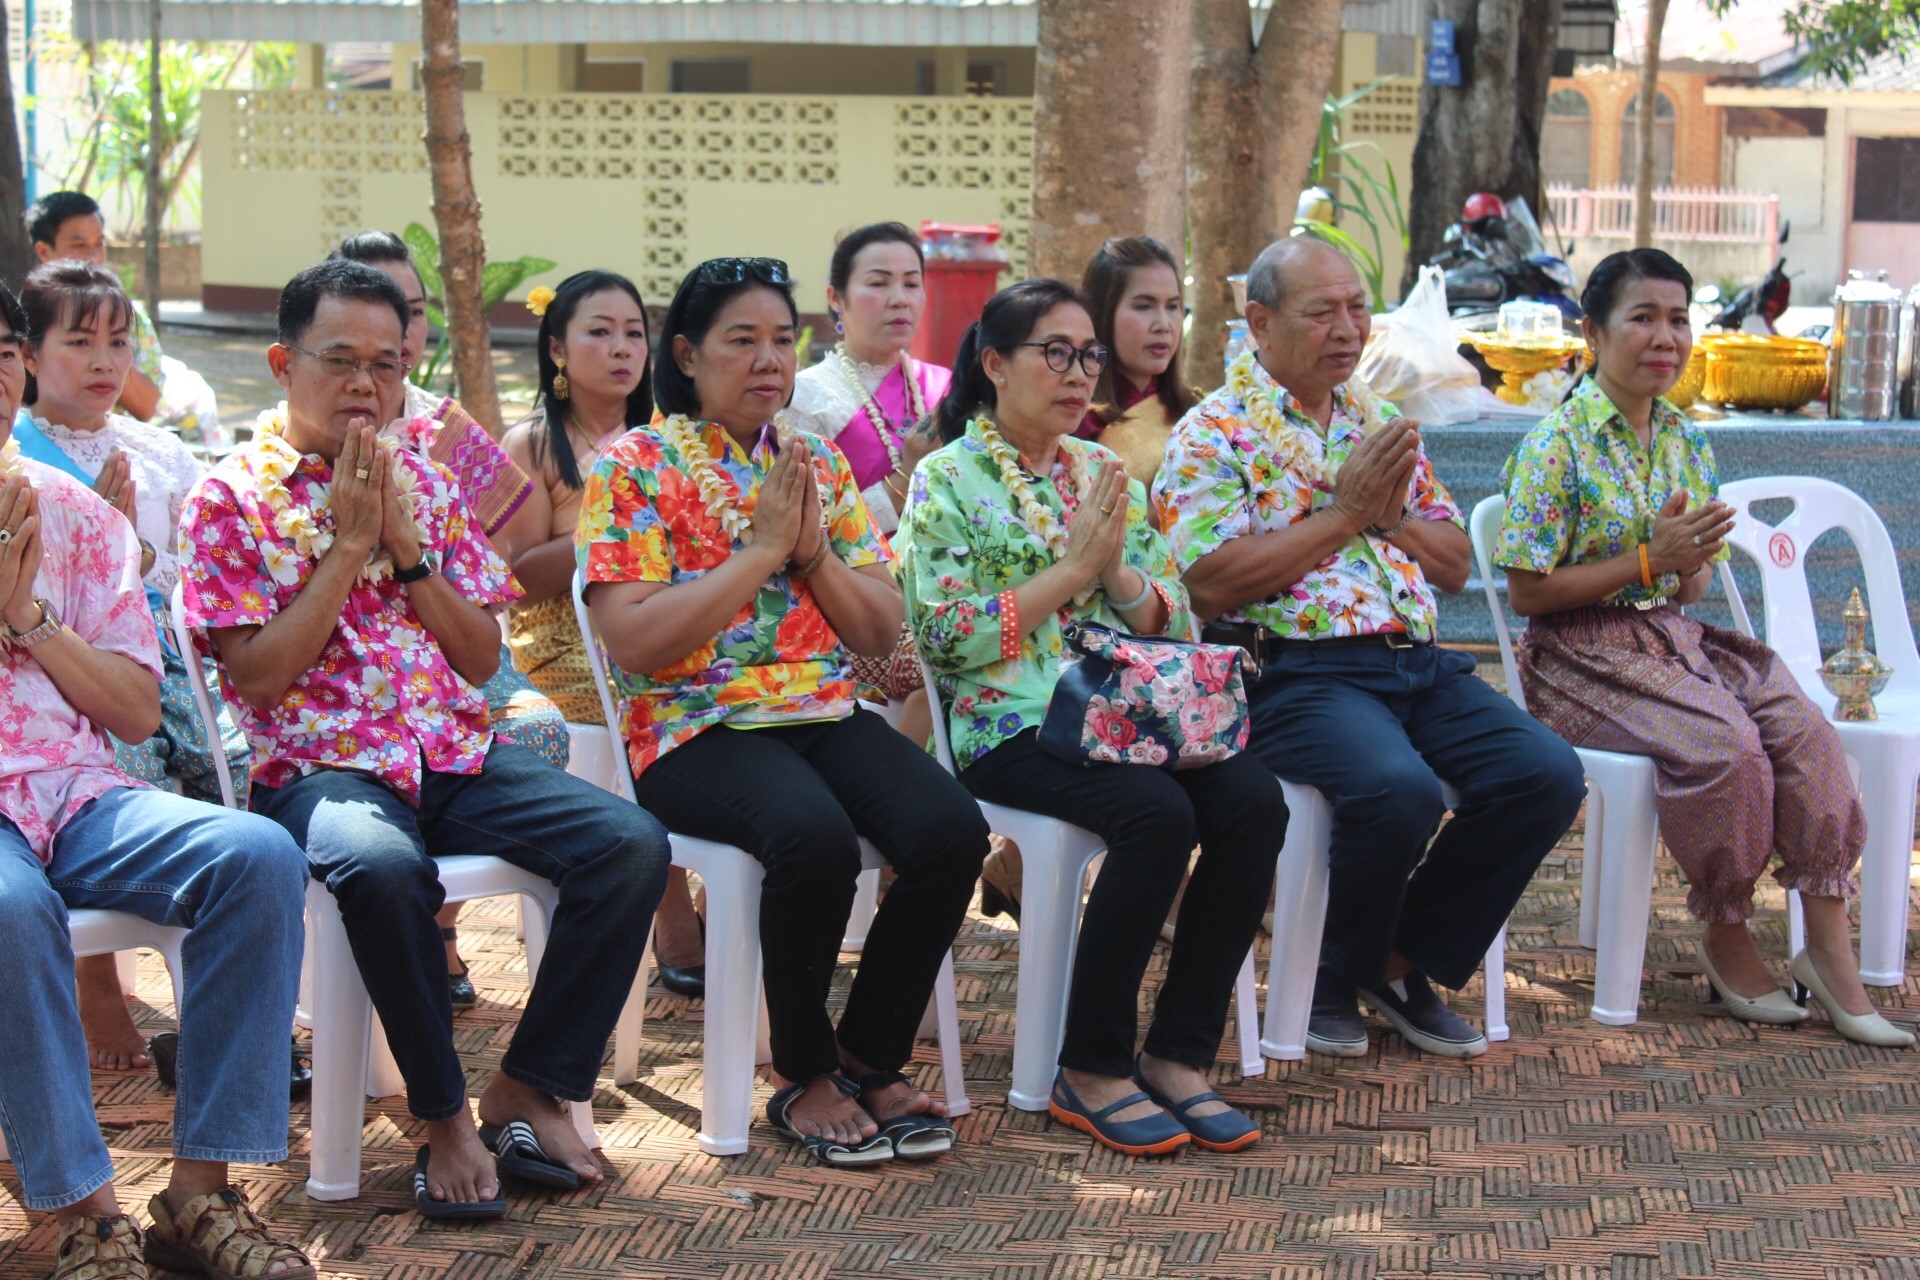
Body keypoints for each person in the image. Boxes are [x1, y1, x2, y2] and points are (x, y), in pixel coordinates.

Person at [178, 259, 672, 1217]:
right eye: (341, 361)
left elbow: (483, 651)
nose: (367, 384)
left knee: (629, 843)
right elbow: (259, 679)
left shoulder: (428, 485)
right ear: (283, 364)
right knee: (380, 867)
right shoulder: (228, 499)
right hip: (321, 767)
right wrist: (348, 549)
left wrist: (404, 549)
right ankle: (442, 1114)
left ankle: (529, 1082)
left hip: (450, 750)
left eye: (387, 363)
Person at [582, 257, 988, 1166]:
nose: (770, 360)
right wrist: (761, 554)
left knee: (949, 829)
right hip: (692, 723)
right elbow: (637, 643)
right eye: (742, 340)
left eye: (782, 340)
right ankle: (802, 1075)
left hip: (819, 708)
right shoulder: (636, 466)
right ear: (686, 355)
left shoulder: (816, 464)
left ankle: (868, 1054)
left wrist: (812, 560)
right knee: (812, 838)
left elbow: (882, 631)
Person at [1156, 238, 1586, 1060]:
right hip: (1293, 673)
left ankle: (1386, 960)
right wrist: (1344, 517)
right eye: (1322, 312)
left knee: (1545, 774)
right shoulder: (1211, 433)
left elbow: (1457, 564)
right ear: (1260, 323)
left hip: (1415, 664)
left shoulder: (1377, 421)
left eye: (1358, 308)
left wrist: (1386, 519)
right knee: (1399, 790)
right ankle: (1330, 975)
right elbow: (1207, 583)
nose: (1348, 328)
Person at [896, 278, 1286, 1158]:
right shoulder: (945, 480)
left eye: (1088, 355)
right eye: (1055, 353)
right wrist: (1071, 575)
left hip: (1131, 711)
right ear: (995, 364)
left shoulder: (1103, 471)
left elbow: (1176, 620)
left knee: (1256, 802)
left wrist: (1117, 579)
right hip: (1010, 725)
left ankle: (1181, 1053)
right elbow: (948, 636)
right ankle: (1093, 1064)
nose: (1078, 373)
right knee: (1156, 816)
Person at [1496, 248, 1911, 1048]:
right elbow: (1529, 594)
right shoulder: (1558, 444)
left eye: (1678, 319)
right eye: (1642, 318)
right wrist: (1652, 558)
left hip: (1673, 638)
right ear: (1593, 331)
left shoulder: (1686, 438)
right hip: (1579, 657)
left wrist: (1681, 563)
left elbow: (1688, 591)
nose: (1665, 337)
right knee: (1729, 749)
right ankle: (1726, 931)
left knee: (1805, 733)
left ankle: (1828, 951)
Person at [0, 281, 314, 1280]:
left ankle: (199, 1191)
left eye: (1, 350)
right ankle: (88, 1216)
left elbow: (135, 711)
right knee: (8, 909)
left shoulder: (78, 515)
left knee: (257, 851)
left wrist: (31, 624)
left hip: (79, 793)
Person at [9, 259, 255, 1074]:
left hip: (162, 653)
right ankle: (100, 984)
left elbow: (204, 566)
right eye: (79, 343)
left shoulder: (156, 452)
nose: (106, 363)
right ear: (34, 356)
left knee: (237, 769)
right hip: (66, 681)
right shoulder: (19, 459)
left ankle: (219, 1010)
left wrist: (127, 549)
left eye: (119, 342)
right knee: (128, 757)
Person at [331, 230, 570, 1009]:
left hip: (449, 626)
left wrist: (425, 553)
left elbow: (500, 557)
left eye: (414, 309)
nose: (401, 326)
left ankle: (437, 917)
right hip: (347, 653)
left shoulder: (446, 430)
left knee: (536, 728)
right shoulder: (313, 417)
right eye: (381, 306)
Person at [500, 267, 709, 998]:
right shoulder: (531, 444)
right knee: (636, 689)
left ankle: (720, 883)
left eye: (633, 333)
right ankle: (670, 902)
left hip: (656, 616)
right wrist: (606, 521)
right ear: (557, 349)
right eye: (599, 331)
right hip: (561, 639)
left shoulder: (669, 439)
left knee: (716, 684)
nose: (623, 349)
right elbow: (518, 573)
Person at [784, 220, 951, 742]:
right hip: (856, 601)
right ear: (836, 298)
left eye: (911, 282)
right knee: (955, 656)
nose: (898, 299)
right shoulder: (804, 399)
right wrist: (908, 473)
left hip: (951, 586)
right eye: (878, 283)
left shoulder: (945, 388)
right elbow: (818, 529)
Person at [27, 191, 222, 447]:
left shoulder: (130, 315)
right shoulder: (20, 315)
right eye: (78, 246)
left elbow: (145, 406)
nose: (93, 256)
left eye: (99, 243)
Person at [1074, 235, 1196, 486]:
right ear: (1101, 313)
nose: (1164, 325)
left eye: (1172, 307)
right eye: (1143, 306)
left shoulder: (1197, 410)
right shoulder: (1076, 421)